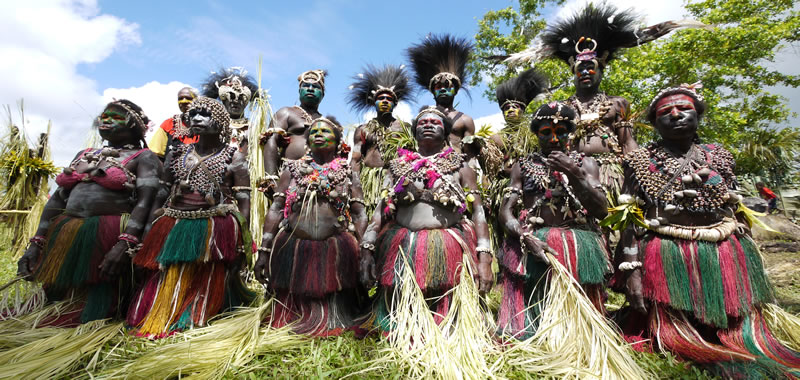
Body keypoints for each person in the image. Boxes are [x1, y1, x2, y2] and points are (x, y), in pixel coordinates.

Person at [614, 84, 800, 376]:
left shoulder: (719, 156)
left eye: (684, 109)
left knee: (733, 328)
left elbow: (735, 205)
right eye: (665, 112)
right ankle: (686, 336)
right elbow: (628, 218)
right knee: (678, 333)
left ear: (698, 115)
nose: (676, 115)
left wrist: (749, 258)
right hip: (667, 250)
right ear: (654, 123)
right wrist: (632, 272)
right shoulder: (639, 162)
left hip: (722, 247)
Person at [538, 3, 702, 204]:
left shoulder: (617, 103)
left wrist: (638, 172)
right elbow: (553, 142)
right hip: (574, 171)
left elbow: (626, 141)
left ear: (601, 71)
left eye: (591, 67)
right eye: (580, 69)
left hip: (612, 172)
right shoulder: (562, 107)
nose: (585, 72)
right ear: (573, 73)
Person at [17, 100, 162, 326]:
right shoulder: (84, 154)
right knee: (58, 297)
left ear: (134, 125)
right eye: (103, 116)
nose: (106, 120)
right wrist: (37, 243)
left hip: (108, 233)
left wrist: (125, 243)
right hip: (67, 231)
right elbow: (57, 199)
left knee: (96, 302)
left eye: (115, 116)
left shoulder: (144, 157)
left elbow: (146, 202)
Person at [126, 96, 253, 338]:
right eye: (193, 114)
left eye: (204, 114)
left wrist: (242, 238)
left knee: (206, 273)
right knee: (166, 269)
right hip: (173, 221)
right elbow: (162, 192)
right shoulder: (176, 154)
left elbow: (244, 201)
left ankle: (196, 313)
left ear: (220, 121)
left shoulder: (234, 158)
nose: (196, 118)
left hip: (215, 225)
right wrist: (149, 229)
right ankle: (161, 312)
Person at [359, 106, 493, 332]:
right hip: (404, 245)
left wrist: (485, 258)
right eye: (422, 122)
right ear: (414, 131)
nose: (428, 124)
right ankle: (403, 323)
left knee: (448, 309)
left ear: (446, 131)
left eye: (435, 122)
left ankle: (449, 325)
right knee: (399, 307)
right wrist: (366, 250)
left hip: (449, 245)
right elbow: (380, 210)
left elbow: (478, 210)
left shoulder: (461, 166)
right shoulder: (397, 166)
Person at [496, 102, 610, 339]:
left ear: (571, 134)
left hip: (578, 245)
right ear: (536, 134)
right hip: (534, 243)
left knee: (582, 328)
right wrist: (526, 236)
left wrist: (574, 173)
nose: (555, 139)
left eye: (562, 132)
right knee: (532, 314)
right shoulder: (522, 166)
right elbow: (505, 212)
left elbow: (601, 211)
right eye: (546, 132)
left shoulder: (586, 164)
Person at [254, 116, 368, 336]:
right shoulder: (291, 170)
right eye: (314, 132)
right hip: (293, 244)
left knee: (340, 301)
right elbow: (276, 208)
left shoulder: (347, 172)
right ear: (307, 142)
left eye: (325, 132)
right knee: (288, 304)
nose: (318, 134)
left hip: (335, 246)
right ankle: (293, 316)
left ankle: (333, 317)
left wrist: (365, 251)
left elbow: (359, 213)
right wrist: (265, 249)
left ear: (338, 142)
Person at [348, 64, 413, 215]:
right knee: (370, 217)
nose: (384, 101)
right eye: (380, 98)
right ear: (373, 102)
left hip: (397, 179)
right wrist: (356, 183)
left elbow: (412, 157)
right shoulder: (363, 129)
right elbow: (356, 159)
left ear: (394, 104)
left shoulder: (405, 128)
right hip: (370, 180)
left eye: (389, 99)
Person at [407, 35, 475, 154]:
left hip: (456, 168)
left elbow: (470, 155)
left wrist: (468, 170)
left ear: (456, 90)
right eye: (438, 87)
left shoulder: (465, 120)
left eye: (447, 86)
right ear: (433, 92)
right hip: (428, 167)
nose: (443, 89)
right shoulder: (425, 118)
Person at [262, 70, 327, 191]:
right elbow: (271, 141)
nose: (310, 89)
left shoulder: (326, 123)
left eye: (316, 87)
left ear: (323, 94)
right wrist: (271, 178)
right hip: (289, 177)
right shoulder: (286, 112)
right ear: (299, 91)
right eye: (306, 86)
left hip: (320, 180)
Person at [201, 67, 259, 151]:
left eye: (240, 98)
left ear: (246, 102)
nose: (235, 101)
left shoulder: (254, 129)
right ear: (224, 100)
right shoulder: (213, 126)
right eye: (231, 97)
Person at [148, 87, 198, 159]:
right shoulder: (168, 124)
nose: (183, 101)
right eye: (180, 99)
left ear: (197, 100)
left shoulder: (206, 124)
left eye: (188, 98)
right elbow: (155, 153)